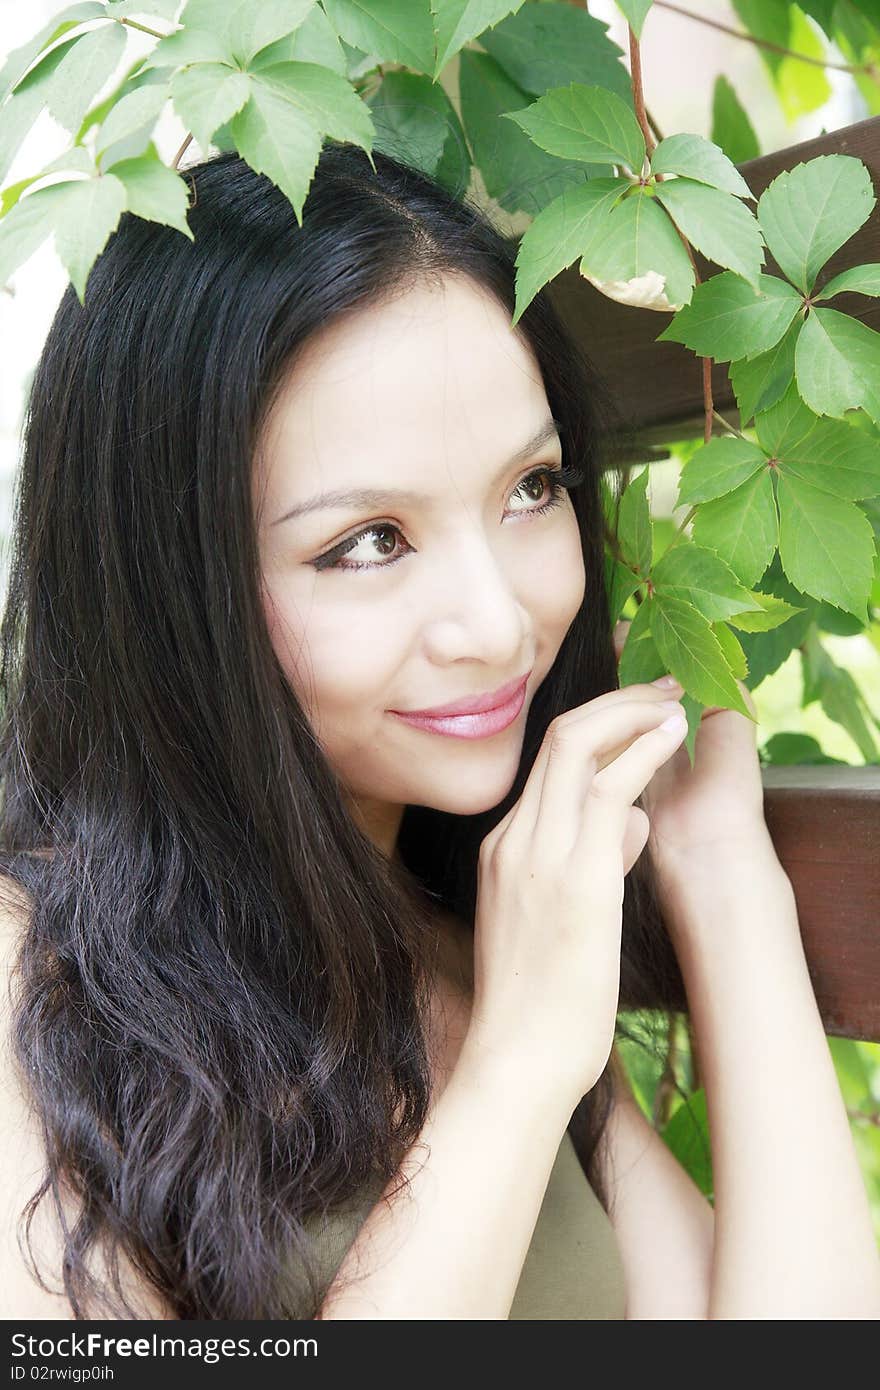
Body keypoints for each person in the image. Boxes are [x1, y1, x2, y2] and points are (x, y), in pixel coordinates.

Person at [0, 143, 877, 1321]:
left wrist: (724, 884)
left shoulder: (459, 921)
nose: (499, 620)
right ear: (160, 584)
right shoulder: (35, 972)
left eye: (530, 488)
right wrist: (515, 1067)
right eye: (366, 541)